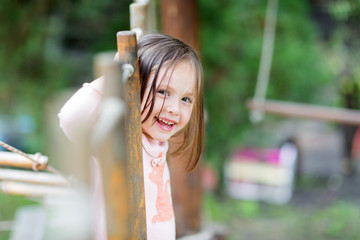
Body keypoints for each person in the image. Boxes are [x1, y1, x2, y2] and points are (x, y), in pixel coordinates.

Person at [58, 33, 204, 240]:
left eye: (186, 98)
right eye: (163, 92)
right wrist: (114, 78)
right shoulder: (118, 139)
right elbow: (70, 118)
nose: (174, 109)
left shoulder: (157, 142)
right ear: (135, 85)